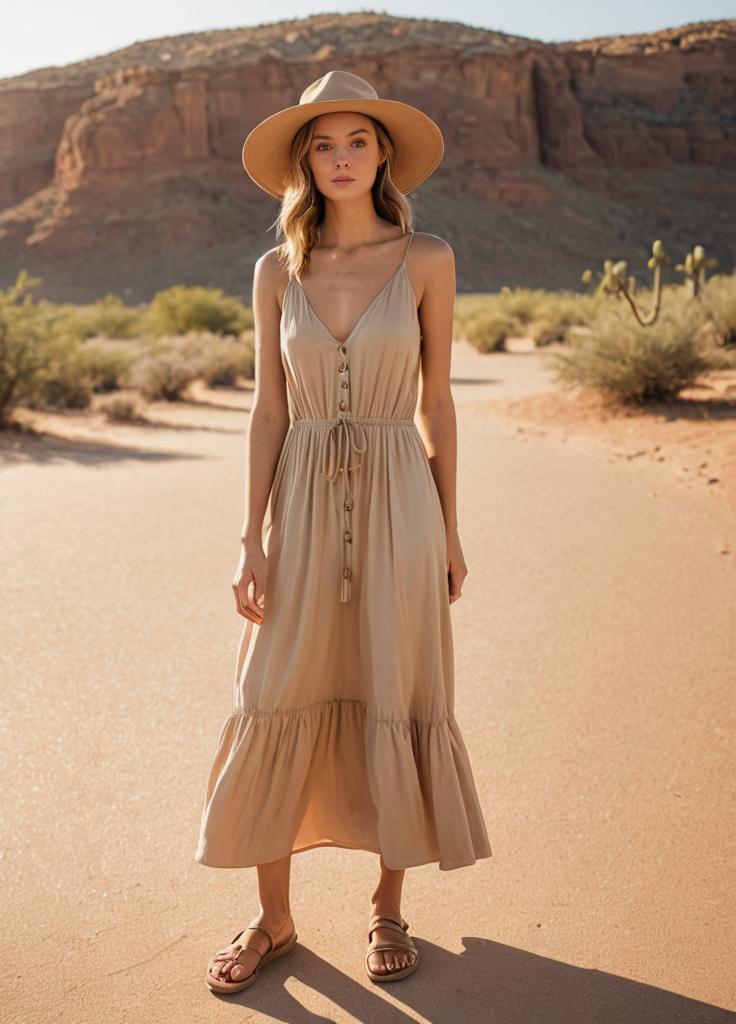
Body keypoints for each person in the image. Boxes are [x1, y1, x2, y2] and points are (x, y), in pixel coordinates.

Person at [195, 69, 492, 995]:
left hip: (403, 501)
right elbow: (266, 408)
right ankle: (274, 918)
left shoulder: (429, 257)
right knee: (274, 685)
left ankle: (387, 905)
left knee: (394, 682)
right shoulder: (276, 269)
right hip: (302, 506)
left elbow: (436, 399)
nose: (339, 159)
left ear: (384, 155)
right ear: (302, 162)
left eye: (356, 141)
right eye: (321, 145)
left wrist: (448, 526)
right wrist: (251, 537)